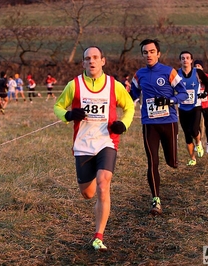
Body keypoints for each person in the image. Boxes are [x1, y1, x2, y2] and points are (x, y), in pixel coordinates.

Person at [54, 46, 134, 251]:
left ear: (103, 61)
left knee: (103, 184)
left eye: (95, 58)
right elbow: (58, 106)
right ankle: (96, 206)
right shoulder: (74, 85)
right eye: (87, 58)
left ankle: (98, 236)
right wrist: (69, 115)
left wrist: (123, 124)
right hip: (83, 145)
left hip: (107, 141)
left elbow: (129, 107)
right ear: (83, 63)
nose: (92, 61)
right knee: (88, 193)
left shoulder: (114, 85)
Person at [130, 39, 188, 216]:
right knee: (152, 161)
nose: (148, 55)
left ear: (158, 53)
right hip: (149, 124)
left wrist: (171, 100)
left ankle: (173, 160)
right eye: (145, 52)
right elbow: (131, 96)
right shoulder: (139, 75)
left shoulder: (169, 71)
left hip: (168, 122)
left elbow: (184, 93)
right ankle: (156, 199)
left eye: (152, 51)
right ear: (142, 55)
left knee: (172, 162)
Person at [178, 52, 208, 166]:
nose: (185, 60)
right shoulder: (176, 73)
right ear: (180, 61)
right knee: (187, 134)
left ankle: (198, 143)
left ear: (191, 61)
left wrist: (205, 92)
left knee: (194, 130)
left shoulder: (198, 72)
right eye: (183, 58)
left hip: (195, 106)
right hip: (182, 107)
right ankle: (192, 158)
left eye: (187, 58)